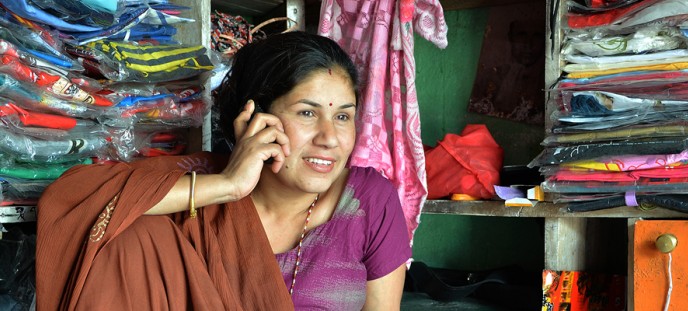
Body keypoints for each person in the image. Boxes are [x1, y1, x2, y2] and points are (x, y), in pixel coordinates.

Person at [36, 31, 411, 310]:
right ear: (252, 119)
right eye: (307, 113)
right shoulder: (202, 183)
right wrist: (228, 186)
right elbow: (74, 198)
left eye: (343, 116)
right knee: (136, 233)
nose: (330, 138)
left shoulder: (369, 201)